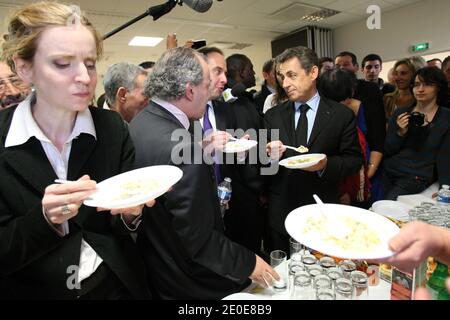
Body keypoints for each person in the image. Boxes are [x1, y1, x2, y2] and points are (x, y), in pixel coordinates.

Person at [0, 1, 152, 299]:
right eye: (62, 63)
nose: (85, 77)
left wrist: (131, 215)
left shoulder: (111, 128)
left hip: (115, 283)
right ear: (24, 67)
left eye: (90, 63)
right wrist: (44, 220)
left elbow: (117, 223)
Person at [129, 47, 278, 299]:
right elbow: (199, 242)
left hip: (157, 270)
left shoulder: (140, 124)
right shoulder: (187, 151)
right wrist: (250, 263)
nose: (211, 94)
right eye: (207, 85)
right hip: (189, 281)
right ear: (189, 90)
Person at [264, 46, 362, 253]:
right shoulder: (273, 116)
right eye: (282, 76)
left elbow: (353, 160)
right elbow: (264, 168)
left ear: (313, 72)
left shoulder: (340, 115)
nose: (285, 83)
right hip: (282, 209)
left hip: (321, 209)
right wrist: (268, 156)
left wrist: (326, 164)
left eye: (292, 75)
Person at [381, 66, 450, 200]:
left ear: (439, 88)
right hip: (389, 172)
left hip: (416, 177)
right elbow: (388, 149)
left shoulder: (446, 117)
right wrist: (401, 133)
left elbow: (445, 156)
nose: (420, 89)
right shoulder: (401, 113)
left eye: (428, 84)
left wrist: (445, 188)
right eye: (416, 84)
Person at [318, 69, 371, 205]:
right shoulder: (343, 118)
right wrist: (344, 191)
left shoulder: (321, 116)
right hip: (343, 189)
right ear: (351, 91)